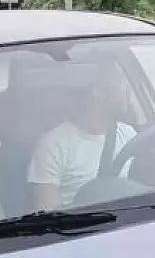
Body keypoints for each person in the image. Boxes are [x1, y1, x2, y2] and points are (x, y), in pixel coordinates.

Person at [28, 63, 138, 210]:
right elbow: (50, 216)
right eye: (120, 80)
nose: (127, 88)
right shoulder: (53, 146)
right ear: (98, 93)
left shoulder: (129, 135)